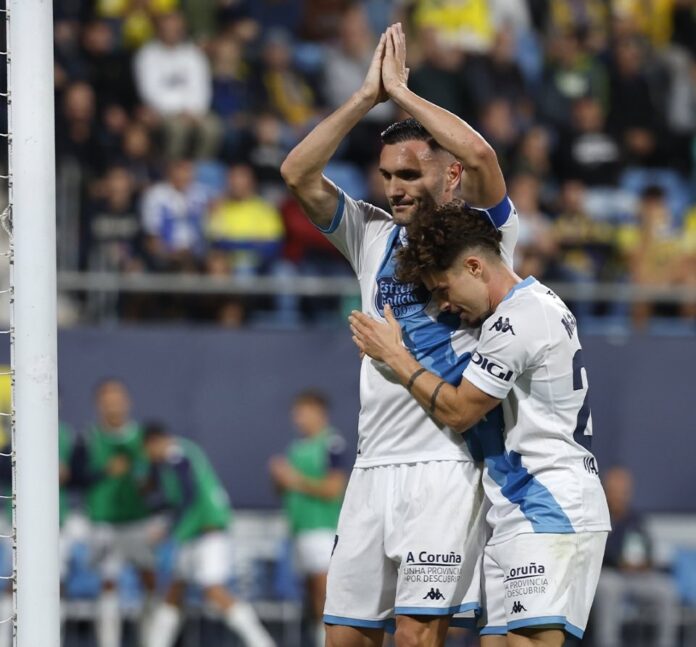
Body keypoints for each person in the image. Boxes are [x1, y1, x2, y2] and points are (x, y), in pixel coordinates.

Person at [281, 23, 518, 646]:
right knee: (344, 637)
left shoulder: (483, 241)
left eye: (411, 174)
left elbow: (484, 158)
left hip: (445, 463)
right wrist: (366, 97)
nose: (394, 187)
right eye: (387, 175)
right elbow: (298, 172)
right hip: (371, 464)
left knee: (418, 636)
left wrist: (404, 95)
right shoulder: (374, 236)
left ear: (447, 178)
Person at [349, 200, 611, 647]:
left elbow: (460, 410)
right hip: (511, 505)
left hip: (550, 500)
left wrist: (394, 355)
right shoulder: (522, 309)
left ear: (474, 266)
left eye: (445, 288)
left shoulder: (519, 319)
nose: (445, 303)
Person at [141, 422, 276, 647]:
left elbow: (188, 495)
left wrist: (166, 527)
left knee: (213, 590)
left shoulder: (177, 454)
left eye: (147, 449)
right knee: (174, 592)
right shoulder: (167, 462)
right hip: (191, 536)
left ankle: (262, 643)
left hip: (209, 534)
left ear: (154, 442)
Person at [78, 379, 160, 647]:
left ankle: (152, 639)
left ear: (128, 402)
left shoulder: (142, 438)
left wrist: (147, 485)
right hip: (104, 523)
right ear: (99, 405)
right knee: (109, 581)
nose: (113, 405)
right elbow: (77, 477)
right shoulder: (89, 437)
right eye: (107, 400)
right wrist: (105, 471)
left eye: (118, 399)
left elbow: (159, 477)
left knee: (149, 580)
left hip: (137, 521)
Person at [269, 390, 348, 647]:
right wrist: (279, 479)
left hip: (323, 529)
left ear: (319, 412)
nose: (298, 417)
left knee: (324, 595)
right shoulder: (295, 448)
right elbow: (285, 491)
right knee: (310, 597)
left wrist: (294, 479)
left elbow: (334, 488)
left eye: (303, 411)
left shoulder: (332, 443)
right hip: (299, 530)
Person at [593, 466, 680, 647]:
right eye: (615, 491)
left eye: (623, 492)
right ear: (605, 491)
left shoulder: (634, 519)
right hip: (608, 574)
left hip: (636, 576)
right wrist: (618, 560)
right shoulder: (596, 515)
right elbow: (593, 553)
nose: (619, 496)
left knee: (666, 590)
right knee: (609, 589)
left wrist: (645, 562)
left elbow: (646, 548)